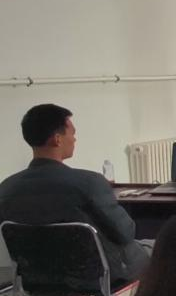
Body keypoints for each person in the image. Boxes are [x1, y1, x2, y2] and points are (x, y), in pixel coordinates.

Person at [0, 103, 149, 283]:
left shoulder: (6, 188)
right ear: (57, 139)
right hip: (99, 274)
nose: (75, 139)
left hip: (38, 277)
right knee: (163, 249)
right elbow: (125, 232)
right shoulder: (90, 182)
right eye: (72, 133)